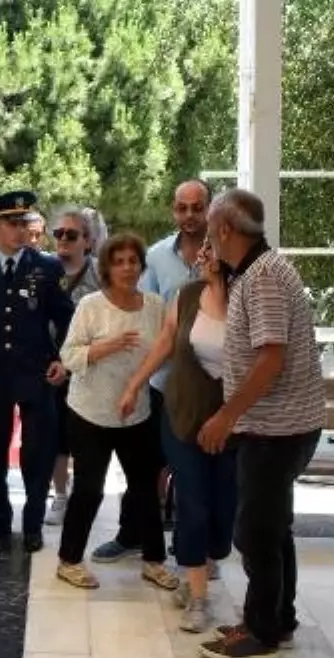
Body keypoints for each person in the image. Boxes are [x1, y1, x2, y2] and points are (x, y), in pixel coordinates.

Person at [196, 189, 324, 658]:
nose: (207, 232)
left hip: (278, 428)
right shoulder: (253, 271)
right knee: (272, 528)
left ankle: (261, 633)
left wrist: (227, 416)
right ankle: (277, 618)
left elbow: (272, 357)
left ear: (225, 228)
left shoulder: (264, 276)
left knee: (253, 532)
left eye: (211, 223)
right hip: (277, 425)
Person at [120, 240, 235, 632]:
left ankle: (202, 563)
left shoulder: (248, 300)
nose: (203, 260)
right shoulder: (187, 297)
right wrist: (135, 383)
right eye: (202, 254)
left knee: (224, 510)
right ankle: (199, 597)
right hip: (182, 414)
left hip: (231, 420)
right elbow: (165, 343)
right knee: (193, 503)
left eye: (211, 254)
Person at [92, 179, 210, 564]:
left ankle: (200, 548)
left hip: (213, 384)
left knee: (201, 469)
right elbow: (145, 317)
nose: (190, 215)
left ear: (208, 209)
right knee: (146, 467)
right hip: (163, 381)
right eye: (182, 207)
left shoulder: (225, 254)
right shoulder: (157, 257)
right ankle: (132, 534)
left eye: (197, 207)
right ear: (173, 210)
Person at [54, 234, 178, 591]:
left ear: (141, 265)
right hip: (89, 412)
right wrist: (102, 348)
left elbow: (165, 350)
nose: (127, 268)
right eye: (118, 261)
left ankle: (154, 561)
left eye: (133, 261)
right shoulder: (92, 306)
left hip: (136, 411)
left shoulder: (154, 306)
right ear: (107, 267)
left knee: (144, 488)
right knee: (89, 489)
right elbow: (69, 356)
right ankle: (69, 560)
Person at [0, 190, 74, 553]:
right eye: (12, 223)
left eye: (24, 223)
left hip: (36, 373)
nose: (20, 230)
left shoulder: (47, 267)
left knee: (37, 451)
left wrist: (63, 359)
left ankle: (33, 523)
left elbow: (66, 318)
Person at [45, 206, 103, 526]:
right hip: (51, 366)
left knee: (86, 438)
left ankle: (83, 496)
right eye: (58, 234)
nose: (63, 240)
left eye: (71, 235)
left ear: (88, 241)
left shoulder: (100, 276)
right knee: (56, 438)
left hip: (88, 367)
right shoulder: (43, 271)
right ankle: (60, 495)